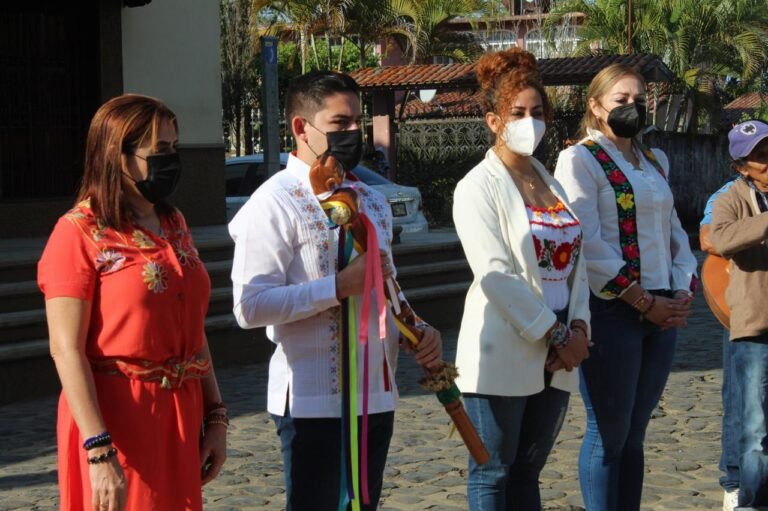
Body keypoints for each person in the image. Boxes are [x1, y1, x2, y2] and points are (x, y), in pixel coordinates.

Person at [228, 70, 442, 511]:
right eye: (339, 123)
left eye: (357, 123)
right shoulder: (273, 202)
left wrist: (416, 326)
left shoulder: (371, 200)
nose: (352, 133)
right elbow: (249, 306)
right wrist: (336, 287)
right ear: (301, 128)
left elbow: (385, 286)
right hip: (310, 398)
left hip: (375, 392)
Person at [37, 94, 227, 511]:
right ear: (115, 155)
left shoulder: (173, 222)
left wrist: (215, 415)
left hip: (181, 410)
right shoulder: (79, 233)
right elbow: (65, 349)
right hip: (117, 419)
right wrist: (99, 450)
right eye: (158, 151)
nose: (170, 160)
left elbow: (192, 327)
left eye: (174, 148)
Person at [452, 48, 592, 510]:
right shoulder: (477, 186)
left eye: (537, 112)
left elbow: (577, 259)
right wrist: (553, 335)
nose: (528, 121)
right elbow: (495, 274)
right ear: (493, 120)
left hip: (560, 346)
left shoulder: (547, 181)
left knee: (529, 472)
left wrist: (581, 329)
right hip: (504, 347)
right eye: (517, 113)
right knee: (493, 472)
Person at [554, 64, 697, 511]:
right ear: (596, 107)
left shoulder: (655, 160)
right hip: (613, 309)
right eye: (620, 101)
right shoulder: (581, 159)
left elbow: (672, 228)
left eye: (638, 100)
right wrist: (640, 298)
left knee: (636, 435)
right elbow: (585, 238)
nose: (631, 108)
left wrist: (682, 286)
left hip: (663, 308)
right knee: (609, 433)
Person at [710, 119, 768, 509]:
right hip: (755, 327)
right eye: (760, 158)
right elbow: (720, 238)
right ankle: (750, 501)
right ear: (741, 166)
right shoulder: (730, 198)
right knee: (755, 428)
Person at [699, 179, 740, 511]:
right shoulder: (729, 194)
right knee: (741, 397)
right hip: (750, 308)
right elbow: (709, 237)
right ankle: (735, 481)